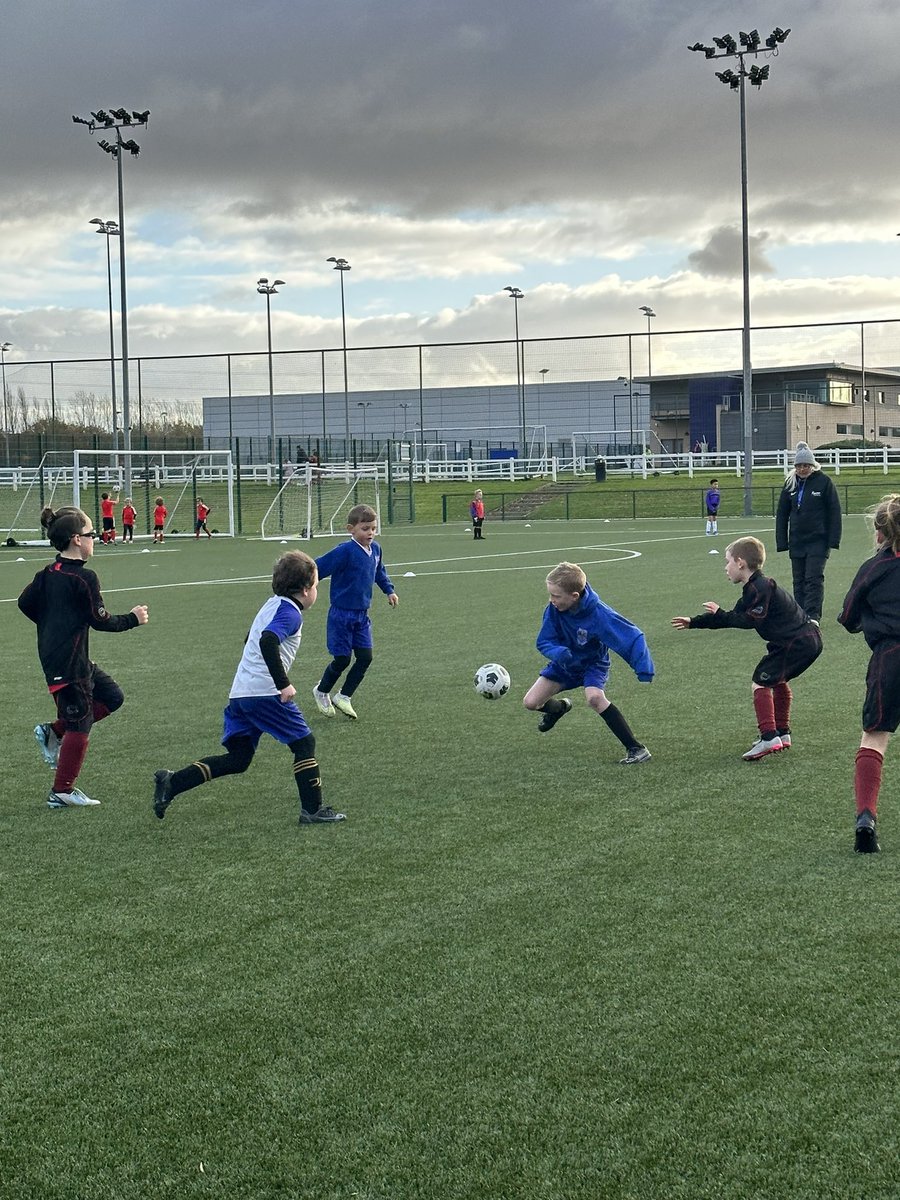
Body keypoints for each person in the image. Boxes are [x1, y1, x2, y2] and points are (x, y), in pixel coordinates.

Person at [153, 551, 344, 825]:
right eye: (316, 586)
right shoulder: (291, 614)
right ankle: (312, 810)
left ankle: (172, 782)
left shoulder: (271, 605)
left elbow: (250, 639)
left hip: (241, 692)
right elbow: (267, 640)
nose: (316, 591)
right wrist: (283, 684)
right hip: (264, 693)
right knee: (304, 742)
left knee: (239, 759)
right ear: (305, 590)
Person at [18, 506, 149, 808]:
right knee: (81, 724)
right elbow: (100, 619)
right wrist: (133, 618)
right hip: (67, 663)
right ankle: (62, 792)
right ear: (77, 539)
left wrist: (53, 624)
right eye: (92, 535)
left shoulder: (48, 573)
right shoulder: (84, 577)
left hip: (70, 660)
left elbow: (25, 604)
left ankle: (53, 732)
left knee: (112, 696)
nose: (95, 540)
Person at [672, 536, 822, 760]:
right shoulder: (754, 588)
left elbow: (749, 620)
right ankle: (782, 733)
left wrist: (721, 613)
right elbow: (732, 617)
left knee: (760, 682)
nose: (726, 568)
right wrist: (694, 622)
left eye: (728, 562)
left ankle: (769, 737)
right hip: (804, 641)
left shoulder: (761, 587)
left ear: (740, 562)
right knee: (777, 680)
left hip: (797, 642)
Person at [523, 561, 654, 764]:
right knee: (530, 703)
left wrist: (643, 667)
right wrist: (559, 652)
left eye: (556, 596)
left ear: (574, 596)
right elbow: (544, 641)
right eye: (550, 594)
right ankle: (559, 709)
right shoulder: (553, 610)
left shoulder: (599, 614)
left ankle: (636, 748)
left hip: (593, 665)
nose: (551, 600)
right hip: (564, 665)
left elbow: (630, 635)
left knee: (594, 698)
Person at [836, 494, 900, 853]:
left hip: (889, 656)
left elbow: (847, 617)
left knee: (874, 737)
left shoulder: (873, 568)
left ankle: (866, 818)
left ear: (880, 534)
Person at [312, 503, 398, 720]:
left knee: (365, 657)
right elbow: (318, 566)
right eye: (365, 528)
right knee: (342, 659)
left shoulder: (376, 549)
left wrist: (389, 590)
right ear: (351, 528)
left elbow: (379, 572)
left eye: (373, 528)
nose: (370, 533)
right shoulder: (344, 551)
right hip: (341, 615)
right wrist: (308, 584)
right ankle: (322, 691)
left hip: (362, 616)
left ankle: (344, 696)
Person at [775, 442, 842, 622]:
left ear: (813, 466)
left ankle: (813, 616)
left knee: (813, 578)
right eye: (799, 466)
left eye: (806, 465)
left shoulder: (824, 482)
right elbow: (782, 514)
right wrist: (782, 542)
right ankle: (800, 615)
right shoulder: (790, 484)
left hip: (818, 541)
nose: (802, 469)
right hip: (797, 541)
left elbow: (834, 511)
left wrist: (833, 539)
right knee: (799, 581)